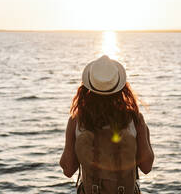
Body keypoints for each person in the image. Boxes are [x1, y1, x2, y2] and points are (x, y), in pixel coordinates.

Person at [60, 55, 154, 194]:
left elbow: (68, 170)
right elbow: (146, 167)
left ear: (87, 89)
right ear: (122, 88)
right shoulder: (135, 120)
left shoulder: (77, 121)